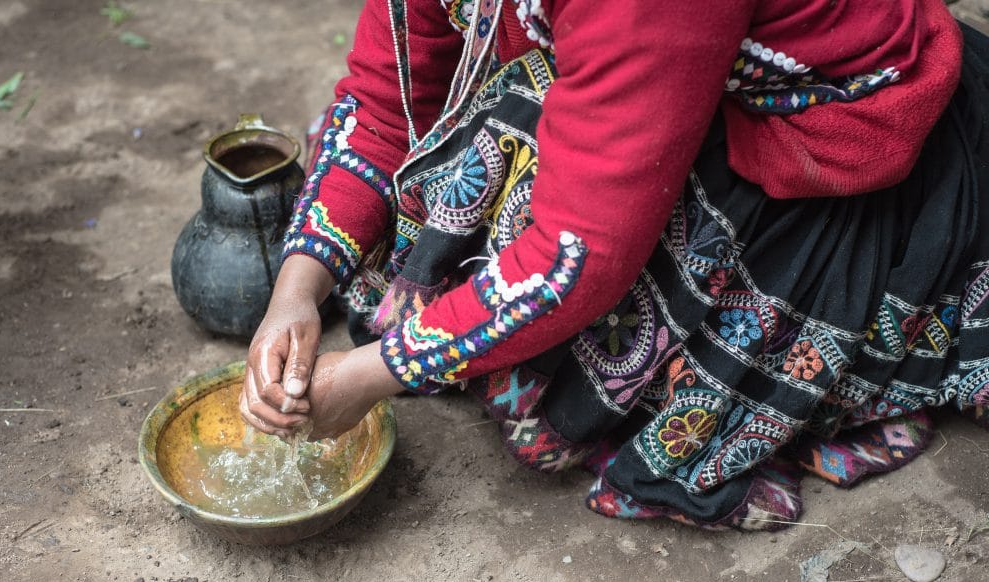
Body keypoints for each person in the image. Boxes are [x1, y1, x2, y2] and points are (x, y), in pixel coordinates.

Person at [241, 0, 989, 530]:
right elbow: (384, 102)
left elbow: (578, 257)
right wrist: (296, 292)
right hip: (652, 74)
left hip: (820, 141)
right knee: (458, 159)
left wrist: (373, 375)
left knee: (530, 212)